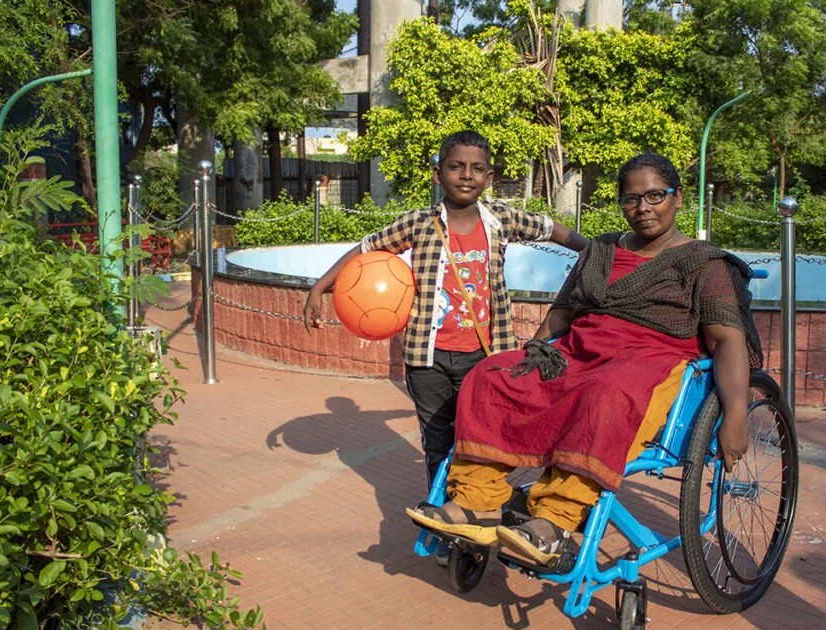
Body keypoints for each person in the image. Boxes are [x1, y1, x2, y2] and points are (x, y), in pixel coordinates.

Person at [406, 152, 763, 569]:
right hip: (578, 351)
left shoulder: (705, 262)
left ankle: (553, 521)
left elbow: (727, 339)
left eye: (655, 196)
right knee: (492, 374)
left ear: (678, 198)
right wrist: (532, 353)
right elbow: (562, 313)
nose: (643, 208)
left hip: (648, 360)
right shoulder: (601, 251)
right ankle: (476, 501)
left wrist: (736, 415)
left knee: (605, 393)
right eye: (631, 199)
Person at [305, 129, 587, 497]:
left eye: (476, 168)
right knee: (438, 442)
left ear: (489, 177)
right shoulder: (418, 224)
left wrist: (600, 256)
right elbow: (366, 247)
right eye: (456, 166)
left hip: (486, 356)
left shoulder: (501, 219)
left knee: (482, 440)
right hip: (428, 359)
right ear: (438, 174)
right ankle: (444, 515)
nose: (466, 175)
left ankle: (474, 509)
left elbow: (554, 230)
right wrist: (319, 286)